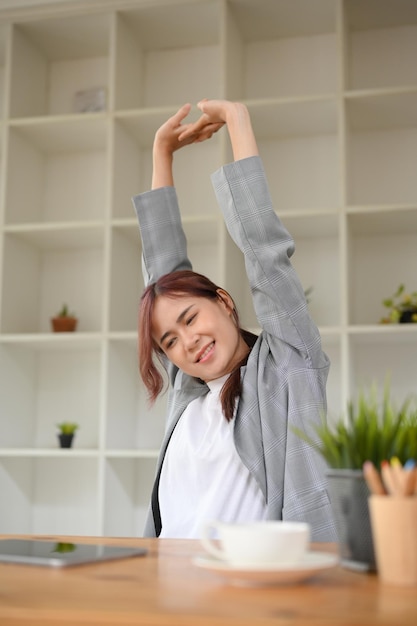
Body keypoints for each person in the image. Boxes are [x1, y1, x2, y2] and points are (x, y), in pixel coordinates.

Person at [132, 99, 337, 541]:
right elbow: (163, 274)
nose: (186, 343)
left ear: (224, 301)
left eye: (191, 319)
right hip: (164, 594)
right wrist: (161, 154)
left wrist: (238, 122)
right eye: (169, 341)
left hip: (245, 599)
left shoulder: (285, 368)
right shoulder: (188, 392)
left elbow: (267, 253)